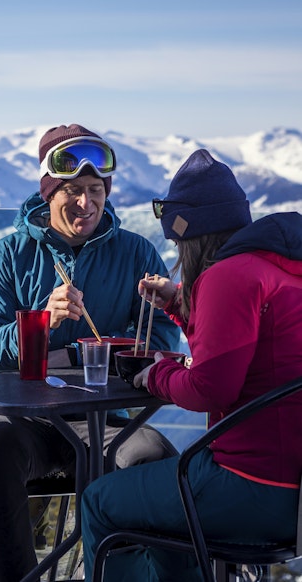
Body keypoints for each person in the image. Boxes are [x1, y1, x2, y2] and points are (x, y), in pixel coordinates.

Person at [0, 123, 182, 582]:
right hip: (25, 418)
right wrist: (40, 321)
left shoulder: (136, 252)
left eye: (96, 190)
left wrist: (119, 351)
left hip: (102, 421)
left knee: (152, 458)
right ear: (48, 193)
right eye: (74, 190)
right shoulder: (9, 255)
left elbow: (163, 338)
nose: (87, 203)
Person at [81, 149, 302, 581]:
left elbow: (210, 389)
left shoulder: (228, 276)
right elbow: (249, 348)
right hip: (294, 493)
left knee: (100, 501)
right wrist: (181, 304)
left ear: (189, 235)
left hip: (248, 485)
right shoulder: (279, 270)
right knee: (165, 517)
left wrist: (156, 373)